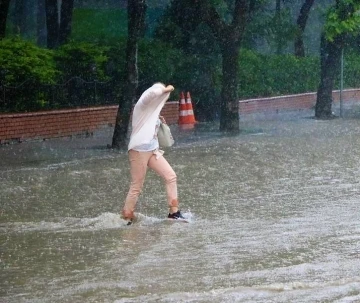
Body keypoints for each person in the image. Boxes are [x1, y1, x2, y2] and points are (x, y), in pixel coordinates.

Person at [121, 82, 185, 225]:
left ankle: (173, 213)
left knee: (171, 176)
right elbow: (152, 94)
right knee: (136, 186)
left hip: (153, 151)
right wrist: (166, 88)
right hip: (138, 150)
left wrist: (159, 121)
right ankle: (127, 217)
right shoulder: (142, 104)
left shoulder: (153, 112)